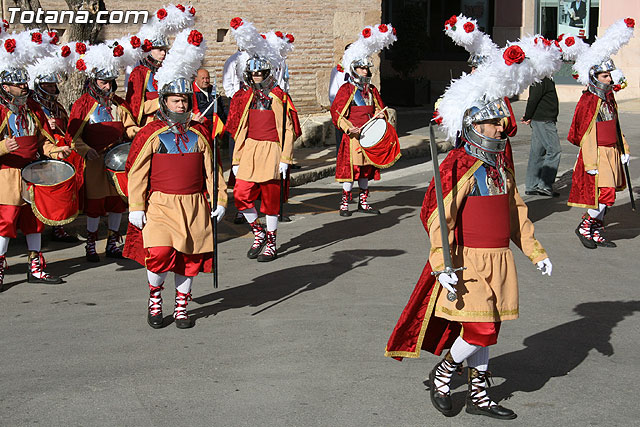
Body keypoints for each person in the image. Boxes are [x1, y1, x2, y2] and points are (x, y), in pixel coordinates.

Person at [385, 33, 558, 420]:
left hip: (500, 258)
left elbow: (515, 213)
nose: (502, 129)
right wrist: (440, 263)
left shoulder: (500, 166)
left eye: (501, 122)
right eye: (494, 123)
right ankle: (445, 372)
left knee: (487, 327)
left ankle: (479, 394)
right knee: (480, 331)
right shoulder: (457, 166)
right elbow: (438, 218)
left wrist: (534, 251)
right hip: (469, 262)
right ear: (474, 126)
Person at [124, 29, 227, 329]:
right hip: (160, 205)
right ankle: (155, 299)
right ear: (164, 101)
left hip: (194, 204)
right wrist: (136, 207)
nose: (181, 106)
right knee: (158, 253)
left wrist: (220, 199)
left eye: (185, 100)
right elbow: (138, 172)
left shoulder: (200, 135)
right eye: (175, 101)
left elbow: (212, 170)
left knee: (189, 257)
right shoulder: (151, 134)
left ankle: (181, 306)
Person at [0, 32, 70, 288]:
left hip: (33, 172)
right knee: (6, 222)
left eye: (24, 85)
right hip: (6, 174)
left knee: (35, 220)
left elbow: (43, 138)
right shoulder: (0, 110)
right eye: (18, 85)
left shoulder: (33, 108)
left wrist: (55, 151)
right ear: (6, 87)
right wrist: (2, 146)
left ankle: (36, 267)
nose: (24, 89)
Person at [226, 17, 298, 261]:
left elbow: (288, 128)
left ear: (267, 74)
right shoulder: (245, 97)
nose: (256, 78)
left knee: (269, 200)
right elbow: (241, 129)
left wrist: (286, 157)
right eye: (253, 74)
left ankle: (272, 242)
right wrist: (236, 157)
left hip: (272, 150)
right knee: (241, 194)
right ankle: (258, 233)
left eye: (260, 74)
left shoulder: (279, 97)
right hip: (249, 150)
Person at [562, 18, 634, 249]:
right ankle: (585, 226)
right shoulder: (589, 100)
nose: (609, 80)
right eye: (605, 76)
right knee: (603, 194)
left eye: (610, 76)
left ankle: (596, 229)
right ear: (594, 77)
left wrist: (623, 148)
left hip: (612, 149)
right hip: (598, 153)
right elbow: (585, 133)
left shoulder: (608, 98)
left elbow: (616, 125)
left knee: (610, 193)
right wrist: (591, 160)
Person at [66, 42, 140, 263]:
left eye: (110, 82)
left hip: (117, 161)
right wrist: (86, 150)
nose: (107, 86)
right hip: (95, 162)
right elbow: (73, 136)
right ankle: (90, 245)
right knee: (95, 205)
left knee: (117, 203)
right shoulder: (82, 104)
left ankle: (112, 243)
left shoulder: (118, 104)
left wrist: (138, 132)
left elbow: (128, 126)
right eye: (102, 82)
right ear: (93, 81)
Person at [331, 24, 398, 217]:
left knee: (366, 171)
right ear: (354, 68)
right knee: (351, 171)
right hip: (353, 136)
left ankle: (363, 202)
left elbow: (379, 108)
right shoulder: (346, 90)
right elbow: (337, 113)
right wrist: (349, 128)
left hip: (369, 136)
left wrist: (380, 116)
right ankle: (344, 203)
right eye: (362, 69)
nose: (366, 72)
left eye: (367, 69)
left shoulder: (372, 90)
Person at [29, 55, 83, 243]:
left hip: (58, 153)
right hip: (38, 154)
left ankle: (58, 226)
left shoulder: (57, 106)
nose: (52, 89)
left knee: (63, 187)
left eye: (53, 86)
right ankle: (35, 229)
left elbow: (66, 126)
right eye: (48, 86)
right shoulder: (33, 107)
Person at [522, 76, 561, 197]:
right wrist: (528, 116)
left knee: (537, 152)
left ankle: (532, 185)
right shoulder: (540, 79)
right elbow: (533, 99)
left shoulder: (544, 78)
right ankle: (544, 185)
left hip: (542, 119)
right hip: (544, 120)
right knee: (554, 150)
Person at [328, 44, 350, 154]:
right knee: (342, 142)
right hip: (342, 111)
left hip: (356, 111)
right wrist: (338, 110)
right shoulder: (337, 71)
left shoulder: (361, 71)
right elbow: (332, 93)